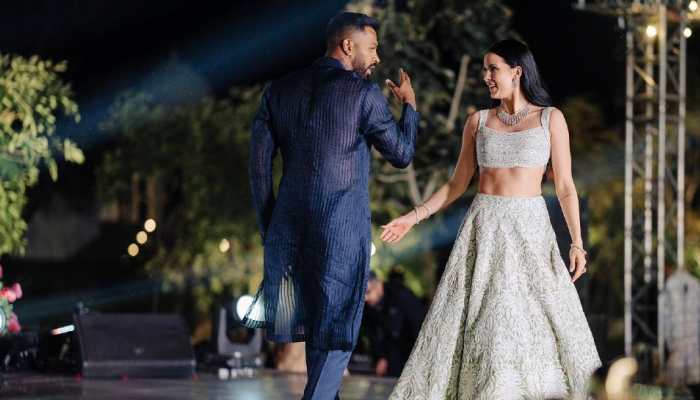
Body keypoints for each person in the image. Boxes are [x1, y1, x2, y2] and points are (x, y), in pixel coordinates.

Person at [381, 39, 601, 399]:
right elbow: (455, 184)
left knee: (537, 317)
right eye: (484, 69)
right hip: (484, 230)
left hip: (530, 231)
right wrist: (413, 217)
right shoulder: (478, 121)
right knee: (487, 319)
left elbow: (564, 187)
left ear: (517, 72)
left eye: (492, 68)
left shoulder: (550, 119)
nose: (486, 76)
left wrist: (577, 243)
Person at [245, 11, 420, 400]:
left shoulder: (278, 91)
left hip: (288, 234)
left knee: (317, 334)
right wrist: (410, 108)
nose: (376, 57)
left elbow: (258, 168)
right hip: (340, 233)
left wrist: (268, 226)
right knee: (337, 334)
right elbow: (402, 154)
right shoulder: (363, 95)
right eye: (371, 48)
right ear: (347, 46)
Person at [363, 270, 427, 377]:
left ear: (378, 284)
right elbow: (372, 334)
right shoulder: (368, 308)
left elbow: (419, 326)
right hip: (391, 362)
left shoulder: (402, 296)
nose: (366, 298)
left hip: (411, 355)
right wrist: (381, 356)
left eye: (368, 292)